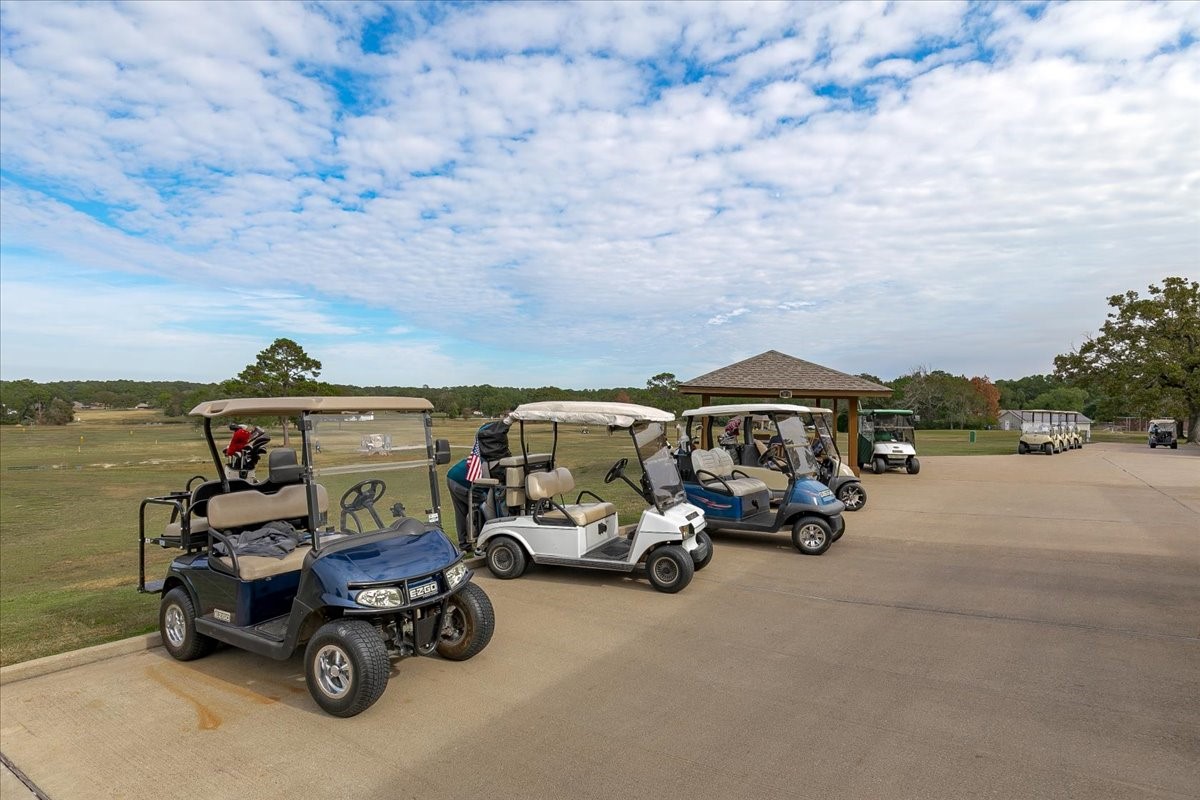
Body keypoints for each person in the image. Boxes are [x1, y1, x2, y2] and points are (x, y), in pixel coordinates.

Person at [446, 414, 513, 550]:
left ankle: (475, 541)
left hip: (465, 478)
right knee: (476, 507)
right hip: (457, 479)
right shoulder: (484, 464)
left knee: (484, 503)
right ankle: (471, 544)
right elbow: (490, 494)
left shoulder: (497, 459)